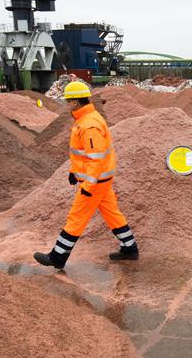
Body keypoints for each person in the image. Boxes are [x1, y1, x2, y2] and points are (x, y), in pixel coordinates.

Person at [34, 81, 139, 269]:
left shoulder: (89, 125)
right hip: (100, 181)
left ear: (75, 102)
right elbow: (84, 154)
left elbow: (96, 159)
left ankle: (57, 257)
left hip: (95, 183)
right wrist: (74, 172)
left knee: (76, 217)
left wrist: (88, 186)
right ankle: (130, 248)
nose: (66, 104)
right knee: (112, 214)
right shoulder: (87, 119)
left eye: (68, 101)